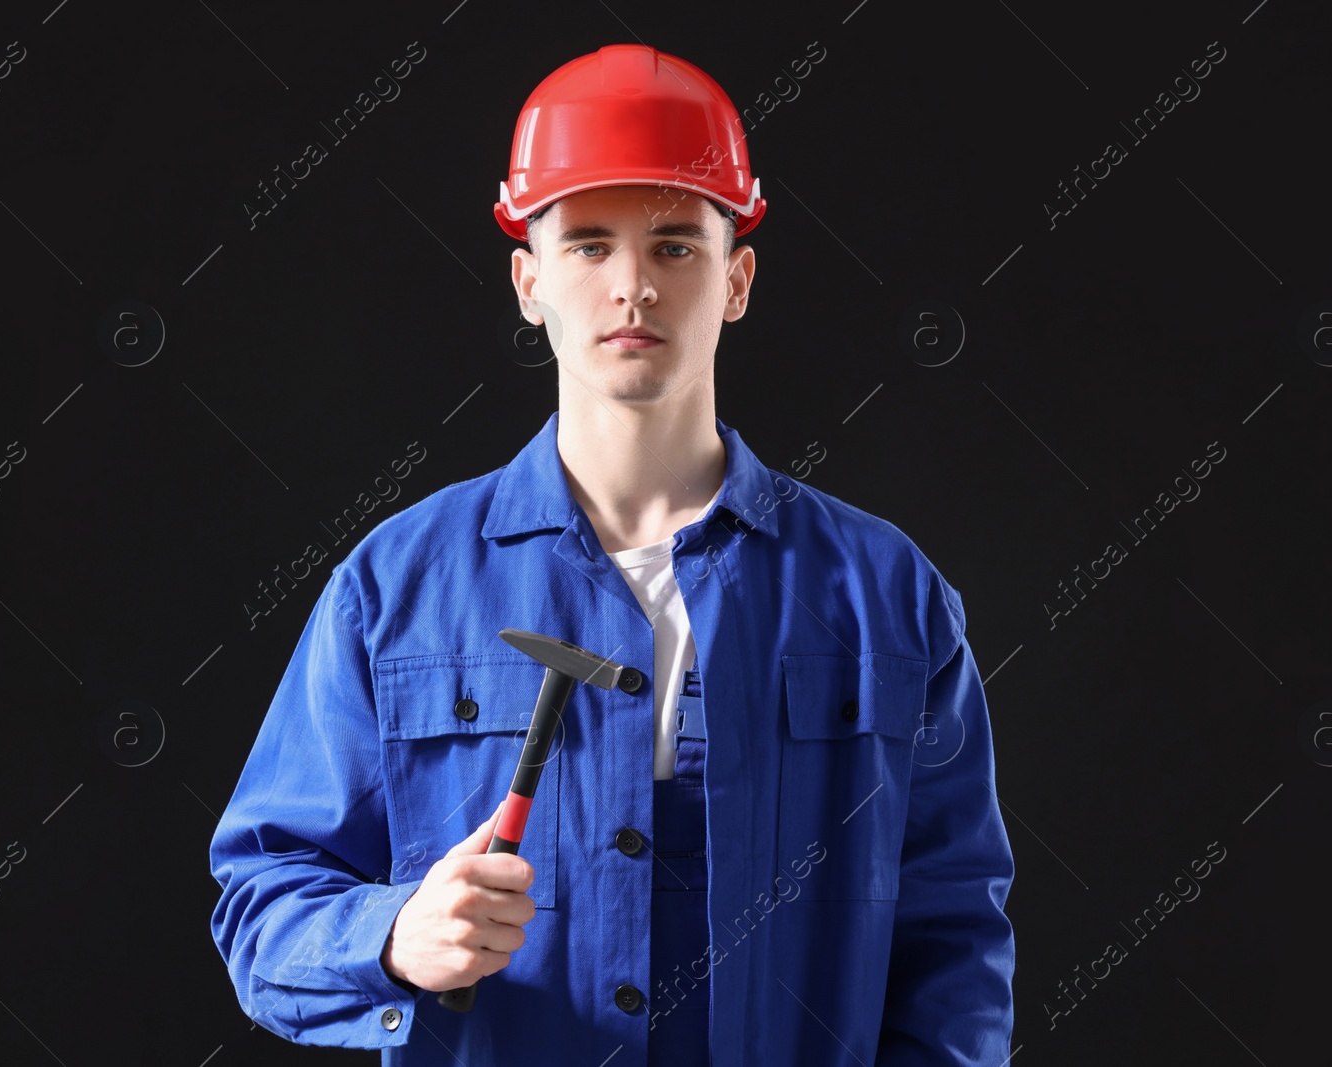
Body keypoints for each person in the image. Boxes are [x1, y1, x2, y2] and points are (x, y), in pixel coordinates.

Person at [208, 43, 1016, 1065]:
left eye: (676, 244)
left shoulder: (884, 595)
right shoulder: (393, 588)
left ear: (738, 279)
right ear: (527, 281)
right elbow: (261, 904)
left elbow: (954, 940)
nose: (632, 285)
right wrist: (394, 936)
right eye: (588, 244)